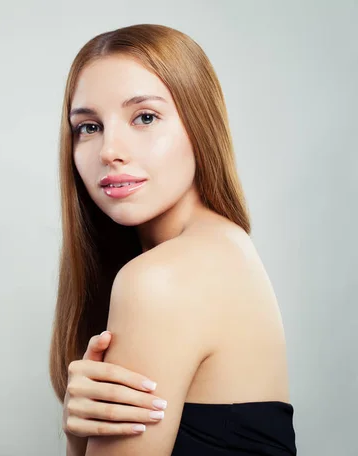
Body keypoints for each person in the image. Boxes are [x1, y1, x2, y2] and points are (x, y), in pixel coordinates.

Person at [48, 24, 297, 455]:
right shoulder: (227, 245)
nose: (110, 150)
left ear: (200, 126)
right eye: (88, 127)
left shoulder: (161, 280)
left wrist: (76, 444)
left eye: (144, 117)